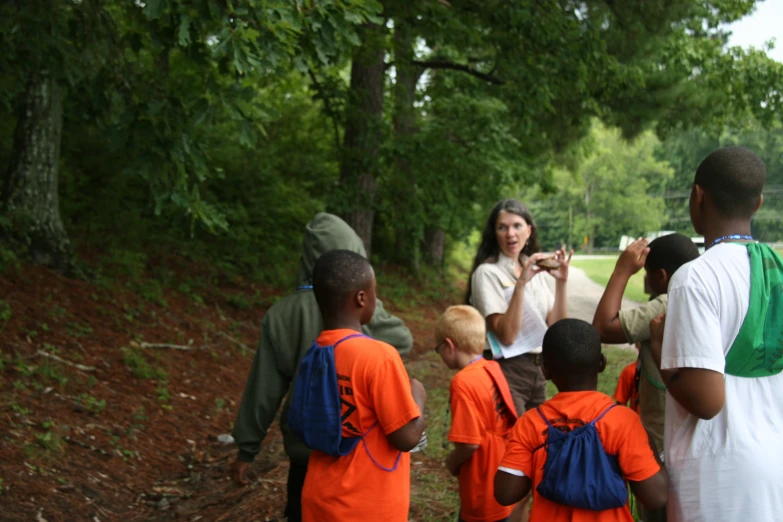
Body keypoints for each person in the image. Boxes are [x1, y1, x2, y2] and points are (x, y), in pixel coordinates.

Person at [229, 213, 413, 522]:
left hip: (307, 446)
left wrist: (247, 449)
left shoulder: (280, 316)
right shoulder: (363, 308)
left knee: (301, 509)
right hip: (360, 453)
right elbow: (402, 341)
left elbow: (264, 391)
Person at [648, 146, 783, 522]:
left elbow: (707, 402)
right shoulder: (778, 271)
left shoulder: (695, 277)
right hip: (775, 466)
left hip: (719, 477)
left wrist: (661, 352)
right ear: (757, 204)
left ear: (697, 196)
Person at [495, 319, 668, 522]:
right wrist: (649, 441)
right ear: (602, 364)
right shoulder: (623, 421)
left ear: (545, 370)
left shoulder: (531, 423)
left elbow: (505, 493)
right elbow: (656, 496)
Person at [300, 249, 426, 521]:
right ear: (361, 298)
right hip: (368, 505)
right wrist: (418, 396)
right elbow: (407, 438)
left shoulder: (315, 353)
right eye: (374, 292)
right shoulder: (379, 356)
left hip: (319, 498)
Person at [466, 199, 572, 417]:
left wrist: (561, 283)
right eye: (502, 227)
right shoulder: (487, 273)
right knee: (512, 443)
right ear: (494, 233)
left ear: (529, 231)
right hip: (506, 368)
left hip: (538, 369)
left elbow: (557, 327)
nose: (510, 234)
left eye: (517, 226)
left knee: (536, 441)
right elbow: (507, 335)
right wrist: (520, 284)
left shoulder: (534, 267)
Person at [593, 234, 699, 450]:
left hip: (664, 431)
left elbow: (602, 328)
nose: (644, 279)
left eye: (646, 273)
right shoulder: (701, 296)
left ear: (661, 276)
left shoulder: (667, 304)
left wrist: (621, 271)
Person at [434, 305, 518, 522]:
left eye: (438, 349)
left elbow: (469, 444)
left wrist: (451, 464)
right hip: (501, 476)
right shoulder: (491, 368)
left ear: (448, 345)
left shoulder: (463, 382)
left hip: (481, 485)